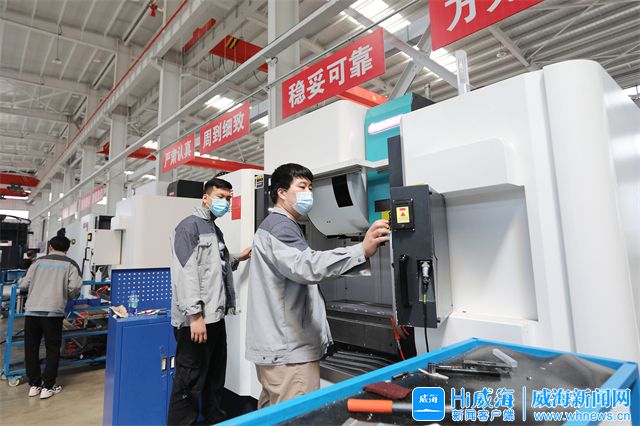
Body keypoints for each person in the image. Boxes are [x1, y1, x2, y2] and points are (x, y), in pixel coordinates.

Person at [245, 163, 390, 408]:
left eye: (311, 188)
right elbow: (307, 265)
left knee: (273, 415)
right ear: (281, 192)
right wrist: (360, 250)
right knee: (298, 418)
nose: (308, 193)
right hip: (290, 353)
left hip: (278, 349)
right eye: (302, 187)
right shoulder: (280, 226)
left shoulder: (276, 226)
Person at [167, 177, 252, 425]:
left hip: (215, 318)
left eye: (228, 198)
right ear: (206, 198)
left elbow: (215, 265)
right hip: (196, 321)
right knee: (189, 381)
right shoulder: (188, 228)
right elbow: (185, 273)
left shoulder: (214, 229)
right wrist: (195, 315)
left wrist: (238, 257)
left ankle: (214, 420)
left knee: (214, 378)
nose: (225, 202)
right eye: (220, 197)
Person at [19, 229, 82, 399]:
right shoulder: (71, 264)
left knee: (31, 348)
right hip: (53, 312)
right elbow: (74, 287)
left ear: (50, 247)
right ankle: (48, 387)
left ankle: (34, 385)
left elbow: (24, 285)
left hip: (32, 311)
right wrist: (65, 296)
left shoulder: (37, 263)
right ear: (67, 249)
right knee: (52, 349)